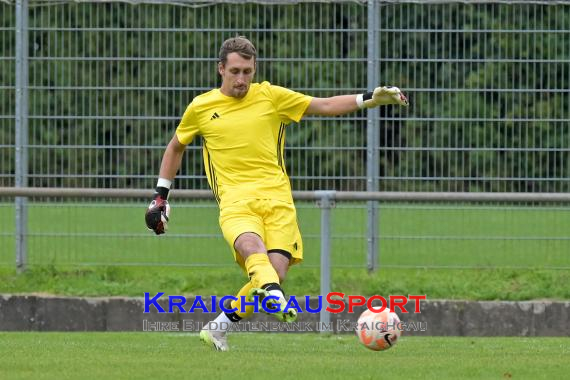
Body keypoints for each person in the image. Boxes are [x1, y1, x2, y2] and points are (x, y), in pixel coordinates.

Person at [145, 36, 408, 351]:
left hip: (279, 202)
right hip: (235, 201)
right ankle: (273, 295)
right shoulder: (202, 107)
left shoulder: (271, 96)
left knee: (275, 272)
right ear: (220, 69)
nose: (242, 79)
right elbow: (176, 147)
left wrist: (370, 99)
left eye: (248, 71)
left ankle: (218, 328)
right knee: (250, 247)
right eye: (235, 71)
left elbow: (322, 105)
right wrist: (161, 196)